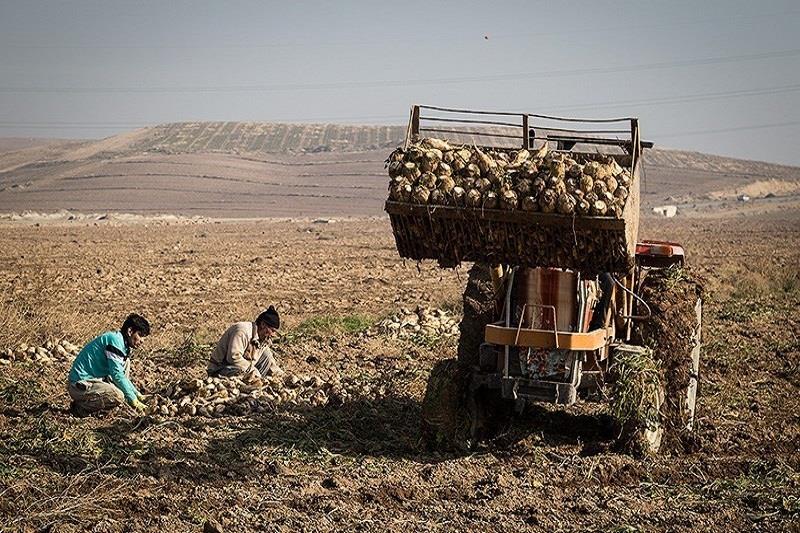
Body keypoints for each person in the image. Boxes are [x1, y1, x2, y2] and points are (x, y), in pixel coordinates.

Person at [67, 313, 151, 416]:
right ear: (130, 331)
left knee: (126, 362)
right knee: (118, 395)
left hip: (96, 380)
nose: (142, 341)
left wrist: (138, 395)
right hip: (80, 385)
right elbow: (117, 375)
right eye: (140, 335)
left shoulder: (123, 345)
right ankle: (80, 408)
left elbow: (121, 375)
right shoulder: (115, 341)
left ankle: (106, 403)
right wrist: (134, 400)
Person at [207, 306, 282, 381]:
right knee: (243, 374)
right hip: (221, 369)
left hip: (244, 369)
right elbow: (233, 358)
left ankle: (256, 385)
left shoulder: (263, 339)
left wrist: (281, 376)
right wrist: (252, 370)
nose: (273, 335)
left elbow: (270, 362)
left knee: (267, 355)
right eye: (272, 330)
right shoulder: (242, 331)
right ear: (263, 325)